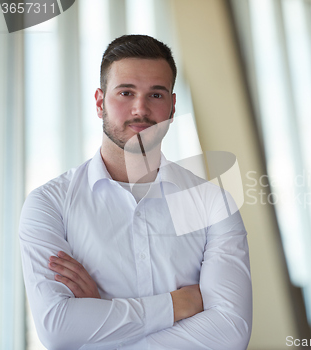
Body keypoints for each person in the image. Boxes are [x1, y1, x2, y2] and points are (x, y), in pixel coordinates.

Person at [19, 34, 252, 350]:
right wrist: (178, 304)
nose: (140, 109)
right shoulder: (49, 205)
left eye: (155, 95)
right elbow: (58, 329)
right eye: (125, 92)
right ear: (100, 102)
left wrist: (101, 317)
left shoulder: (214, 204)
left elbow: (230, 333)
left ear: (171, 107)